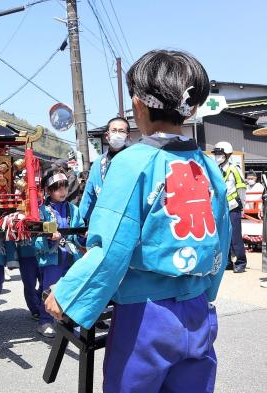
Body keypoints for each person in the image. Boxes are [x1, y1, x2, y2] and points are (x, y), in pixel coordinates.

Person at [44, 49, 231, 392]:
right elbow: (221, 236)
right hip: (198, 309)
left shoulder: (132, 163)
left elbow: (112, 244)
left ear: (138, 105)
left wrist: (70, 294)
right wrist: (207, 290)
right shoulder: (208, 167)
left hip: (146, 315)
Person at [34, 168, 84, 337]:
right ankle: (44, 321)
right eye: (57, 188)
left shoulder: (74, 209)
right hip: (52, 256)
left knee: (72, 288)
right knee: (50, 289)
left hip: (71, 255)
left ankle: (70, 321)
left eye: (64, 187)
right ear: (48, 191)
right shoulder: (41, 211)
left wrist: (84, 236)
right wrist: (49, 237)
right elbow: (35, 238)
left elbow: (78, 234)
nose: (62, 191)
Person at [79, 117, 131, 222]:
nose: (117, 134)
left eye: (121, 131)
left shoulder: (136, 160)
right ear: (107, 135)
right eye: (114, 130)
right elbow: (89, 196)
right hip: (105, 221)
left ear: (127, 136)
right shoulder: (97, 164)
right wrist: (81, 222)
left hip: (129, 220)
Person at [212, 141, 247, 273]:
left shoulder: (234, 169)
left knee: (235, 237)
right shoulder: (216, 169)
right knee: (223, 235)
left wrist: (242, 205)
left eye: (220, 153)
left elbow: (241, 188)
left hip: (233, 207)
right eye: (216, 153)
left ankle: (240, 262)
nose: (217, 156)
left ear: (227, 154)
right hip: (220, 208)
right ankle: (227, 262)